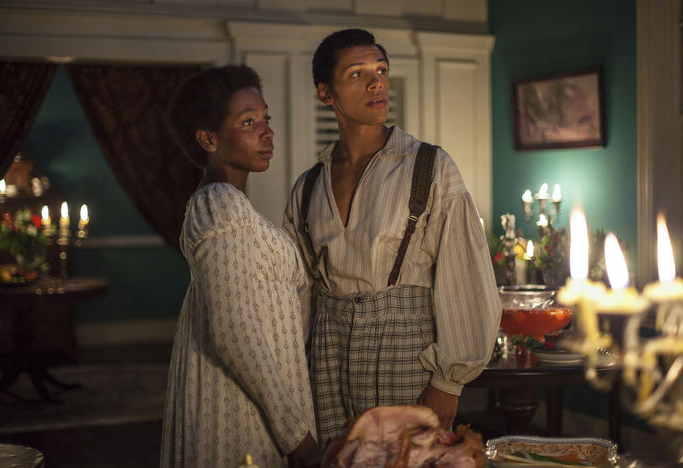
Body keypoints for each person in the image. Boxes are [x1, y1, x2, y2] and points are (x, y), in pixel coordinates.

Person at [283, 29, 501, 446]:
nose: (376, 82)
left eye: (381, 70)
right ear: (325, 93)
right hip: (327, 358)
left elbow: (467, 278)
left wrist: (449, 382)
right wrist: (294, 382)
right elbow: (298, 297)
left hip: (406, 352)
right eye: (358, 73)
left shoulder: (430, 166)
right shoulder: (308, 185)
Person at [160, 65, 321, 468]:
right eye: (248, 121)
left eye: (266, 118)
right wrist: (297, 439)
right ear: (209, 138)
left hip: (260, 404)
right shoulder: (219, 204)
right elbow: (234, 331)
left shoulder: (234, 207)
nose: (266, 131)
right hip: (237, 409)